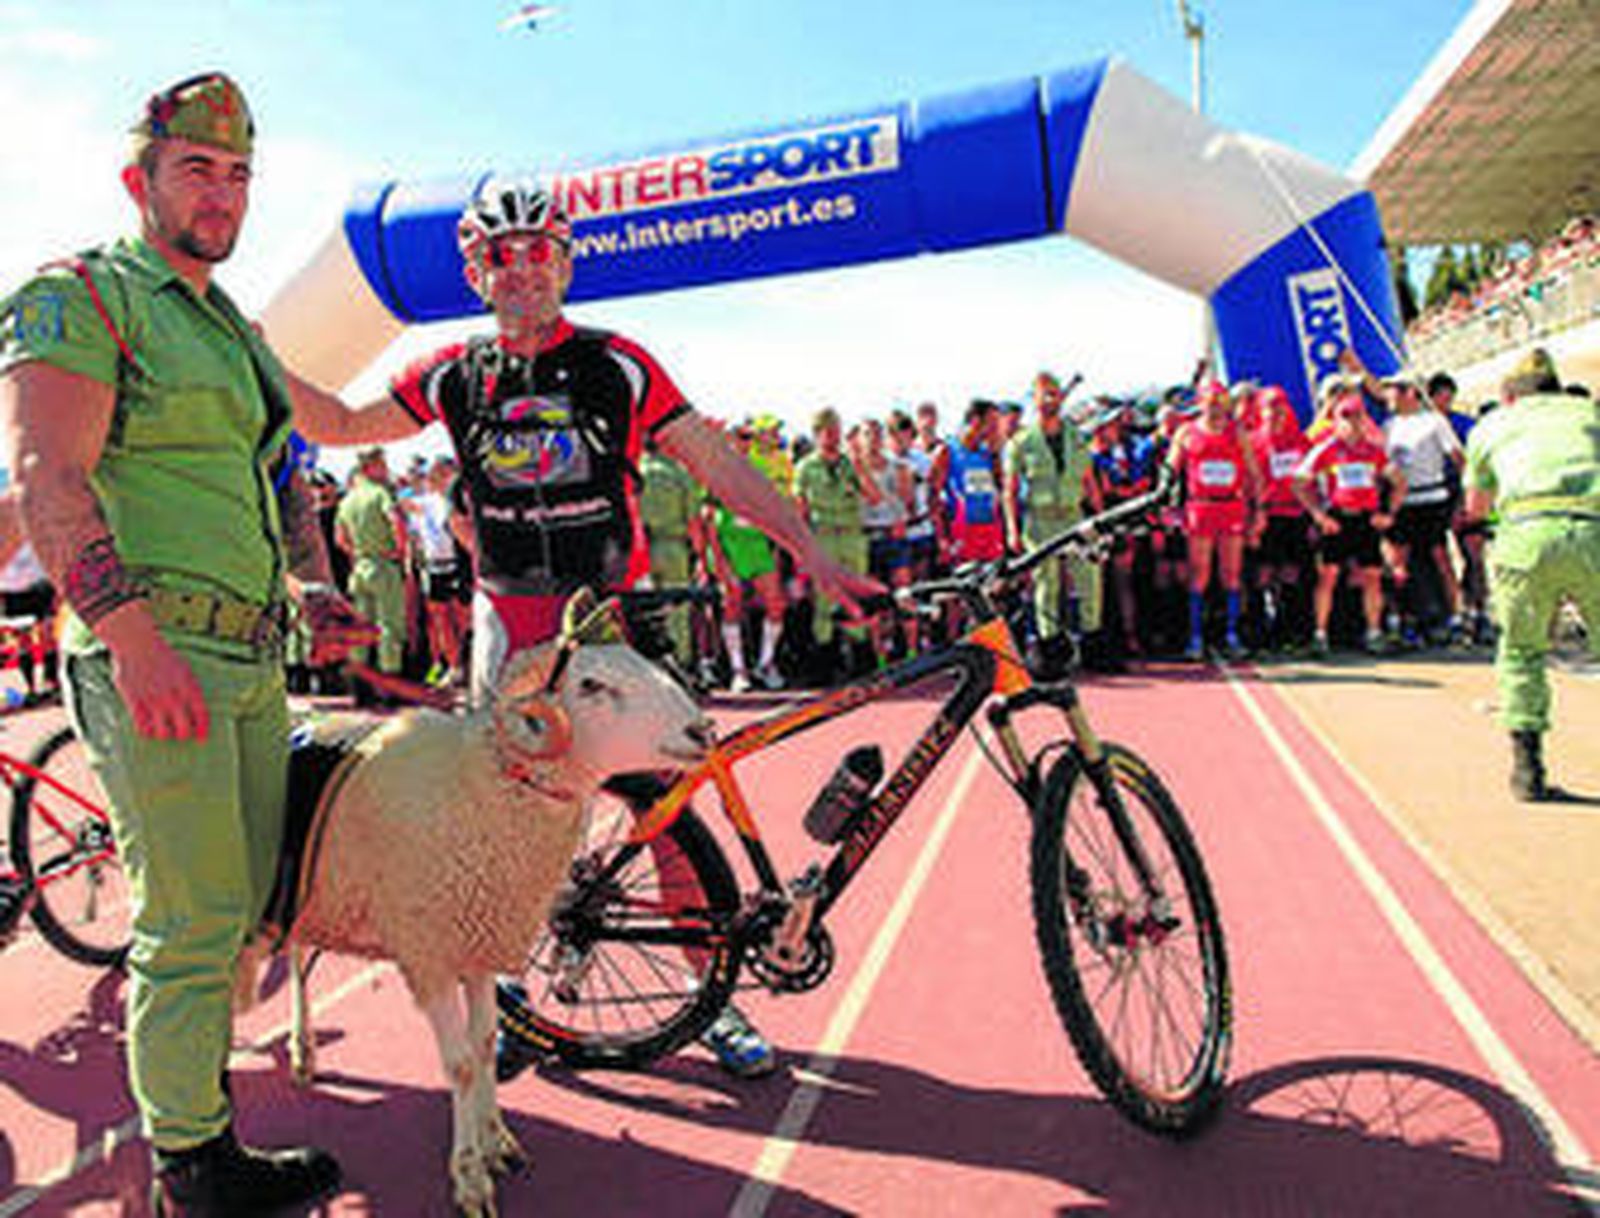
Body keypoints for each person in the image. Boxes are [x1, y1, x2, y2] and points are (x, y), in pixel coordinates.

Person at [279, 177, 881, 1079]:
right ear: (477, 273)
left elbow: (718, 466)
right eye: (502, 256)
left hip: (610, 627)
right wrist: (250, 352)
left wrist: (811, 552)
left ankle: (705, 998)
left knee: (665, 818)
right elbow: (339, 421)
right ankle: (509, 1001)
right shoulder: (451, 374)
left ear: (565, 263)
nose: (523, 271)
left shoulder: (619, 364)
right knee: (500, 821)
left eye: (540, 253)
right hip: (508, 627)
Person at [0, 72, 354, 1215]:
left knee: (240, 904)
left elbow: (299, 452)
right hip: (159, 651)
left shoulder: (226, 328)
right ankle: (191, 1170)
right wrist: (135, 643)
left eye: (238, 172)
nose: (221, 191)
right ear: (138, 178)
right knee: (191, 917)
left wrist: (308, 587)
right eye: (196, 168)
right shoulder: (84, 295)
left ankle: (206, 1142)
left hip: (249, 656)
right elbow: (49, 477)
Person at [1462, 348, 1600, 800]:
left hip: (1523, 536)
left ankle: (1528, 771)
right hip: (1591, 529)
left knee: (1522, 651)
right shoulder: (1586, 411)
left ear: (1510, 396)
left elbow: (1475, 509)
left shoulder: (1491, 426)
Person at [1294, 375, 1407, 655]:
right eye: (1345, 417)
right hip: (1337, 519)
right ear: (1335, 420)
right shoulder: (1327, 449)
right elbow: (1299, 483)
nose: (1352, 423)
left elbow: (1399, 482)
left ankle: (1374, 632)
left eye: (1356, 416)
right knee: (1328, 577)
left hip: (1366, 519)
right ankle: (1320, 635)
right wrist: (1319, 515)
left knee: (1372, 577)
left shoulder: (1373, 450)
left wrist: (1388, 512)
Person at [1003, 371, 1101, 673]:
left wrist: (1100, 518)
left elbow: (1089, 480)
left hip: (1074, 517)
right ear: (1033, 400)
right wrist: (1012, 530)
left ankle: (1093, 645)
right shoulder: (1021, 442)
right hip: (1039, 520)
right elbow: (1009, 489)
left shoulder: (1076, 437)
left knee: (1089, 580)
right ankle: (1049, 651)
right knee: (1046, 585)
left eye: (1054, 394)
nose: (1049, 400)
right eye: (1043, 394)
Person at [1167, 382, 1260, 660]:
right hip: (1201, 507)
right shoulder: (1187, 432)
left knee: (1231, 573)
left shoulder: (1237, 432)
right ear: (1201, 402)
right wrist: (1171, 506)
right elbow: (1170, 471)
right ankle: (1196, 637)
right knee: (1200, 575)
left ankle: (1231, 634)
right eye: (1211, 400)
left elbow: (1254, 475)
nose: (1216, 405)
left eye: (1221, 400)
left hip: (1231, 506)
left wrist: (1259, 512)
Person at [1380, 372, 1465, 645]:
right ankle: (1400, 619)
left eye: (1393, 391)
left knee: (1440, 557)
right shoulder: (1389, 426)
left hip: (1432, 498)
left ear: (1409, 393)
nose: (1388, 397)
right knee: (1397, 563)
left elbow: (1459, 458)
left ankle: (1455, 617)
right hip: (1402, 502)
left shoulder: (1434, 422)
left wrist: (1463, 498)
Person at [793, 407, 873, 682]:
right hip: (823, 537)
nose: (834, 437)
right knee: (825, 601)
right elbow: (800, 512)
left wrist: (861, 467)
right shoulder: (805, 468)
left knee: (855, 597)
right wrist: (803, 551)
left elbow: (875, 497)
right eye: (828, 432)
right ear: (816, 434)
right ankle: (824, 664)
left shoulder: (850, 464)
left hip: (852, 536)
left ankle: (859, 662)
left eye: (837, 431)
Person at [335, 445, 409, 704]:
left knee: (361, 629)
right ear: (372, 466)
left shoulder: (348, 499)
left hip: (360, 566)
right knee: (389, 626)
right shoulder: (380, 494)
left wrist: (359, 551)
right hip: (383, 565)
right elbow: (396, 522)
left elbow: (340, 539)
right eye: (383, 463)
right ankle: (390, 690)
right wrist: (399, 551)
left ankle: (359, 690)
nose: (386, 468)